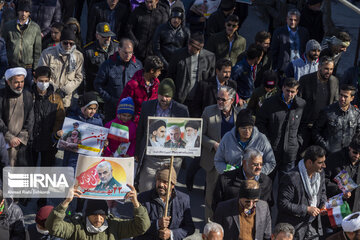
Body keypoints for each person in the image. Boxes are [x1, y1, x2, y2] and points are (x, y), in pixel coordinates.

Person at [136, 78, 189, 192]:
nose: (164, 99)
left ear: (172, 96)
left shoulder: (182, 110)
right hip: (151, 157)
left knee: (166, 190)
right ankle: (145, 210)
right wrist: (137, 153)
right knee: (145, 188)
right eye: (161, 95)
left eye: (167, 96)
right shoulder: (147, 106)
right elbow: (140, 129)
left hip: (171, 158)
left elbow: (185, 135)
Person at [44, 185, 151, 239]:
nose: (99, 218)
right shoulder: (76, 228)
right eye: (94, 215)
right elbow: (53, 227)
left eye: (102, 215)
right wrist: (66, 202)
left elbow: (142, 227)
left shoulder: (115, 226)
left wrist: (136, 204)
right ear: (87, 215)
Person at [199, 86, 240, 220]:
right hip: (214, 161)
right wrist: (214, 145)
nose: (220, 102)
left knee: (229, 196)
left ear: (232, 100)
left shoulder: (239, 115)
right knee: (210, 196)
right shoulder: (208, 112)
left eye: (223, 99)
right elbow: (200, 135)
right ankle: (209, 224)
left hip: (232, 162)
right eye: (218, 98)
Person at [256, 78, 306, 179]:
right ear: (283, 88)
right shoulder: (270, 103)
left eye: (292, 92)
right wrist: (267, 142)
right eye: (287, 90)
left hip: (290, 153)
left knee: (286, 184)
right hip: (271, 151)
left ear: (297, 91)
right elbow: (260, 123)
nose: (289, 94)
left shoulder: (301, 105)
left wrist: (298, 142)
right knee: (267, 181)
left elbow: (303, 126)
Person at [277, 145, 327, 240]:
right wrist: (306, 209)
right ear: (309, 163)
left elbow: (322, 192)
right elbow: (283, 204)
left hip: (312, 227)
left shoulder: (321, 173)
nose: (324, 165)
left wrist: (323, 204)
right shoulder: (291, 178)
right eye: (320, 163)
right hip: (294, 230)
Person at [134, 165, 195, 240]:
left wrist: (171, 234)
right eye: (159, 180)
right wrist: (157, 224)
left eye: (165, 182)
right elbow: (136, 226)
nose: (160, 185)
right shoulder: (143, 198)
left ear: (172, 185)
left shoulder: (183, 199)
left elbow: (190, 228)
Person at [214, 108, 276, 175]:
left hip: (254, 181)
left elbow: (271, 162)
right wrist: (228, 171)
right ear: (238, 128)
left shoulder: (261, 139)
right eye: (244, 128)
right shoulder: (227, 138)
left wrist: (256, 173)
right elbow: (218, 161)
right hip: (231, 180)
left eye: (250, 128)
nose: (247, 131)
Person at [94, 38, 143, 122]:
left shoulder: (137, 65)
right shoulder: (108, 65)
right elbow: (98, 85)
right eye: (125, 52)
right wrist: (109, 99)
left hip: (131, 109)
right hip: (112, 108)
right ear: (119, 50)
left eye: (131, 53)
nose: (128, 55)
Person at [168, 32, 215, 117]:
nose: (190, 48)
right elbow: (170, 76)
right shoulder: (178, 54)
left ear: (200, 48)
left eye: (193, 47)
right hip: (181, 99)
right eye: (189, 44)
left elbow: (211, 80)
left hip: (199, 101)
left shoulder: (209, 57)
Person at [213, 148, 273, 212]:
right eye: (255, 164)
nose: (259, 167)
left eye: (261, 164)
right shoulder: (226, 180)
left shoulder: (266, 182)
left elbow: (268, 207)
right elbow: (216, 205)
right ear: (244, 163)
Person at [298, 56, 339, 149]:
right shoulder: (305, 80)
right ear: (319, 67)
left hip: (322, 129)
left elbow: (335, 102)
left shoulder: (334, 81)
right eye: (326, 69)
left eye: (331, 69)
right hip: (306, 126)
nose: (329, 72)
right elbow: (298, 102)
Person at [56, 92, 103, 171]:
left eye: (95, 109)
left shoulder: (97, 121)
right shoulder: (72, 120)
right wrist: (58, 135)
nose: (93, 111)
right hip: (72, 158)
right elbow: (58, 138)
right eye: (90, 109)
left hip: (88, 159)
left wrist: (104, 142)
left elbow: (100, 140)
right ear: (83, 107)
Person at [38, 27, 84, 108]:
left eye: (71, 43)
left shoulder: (78, 56)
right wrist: (54, 88)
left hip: (66, 99)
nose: (68, 46)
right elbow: (42, 73)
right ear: (60, 41)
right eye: (65, 43)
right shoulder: (48, 53)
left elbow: (79, 77)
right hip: (48, 94)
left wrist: (65, 90)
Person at [2, 0, 42, 88]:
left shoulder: (35, 28)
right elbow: (3, 45)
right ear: (18, 11)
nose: (23, 14)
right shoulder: (8, 26)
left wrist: (35, 68)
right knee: (10, 89)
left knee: (27, 91)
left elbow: (37, 50)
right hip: (12, 65)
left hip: (28, 67)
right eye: (22, 11)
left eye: (27, 11)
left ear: (30, 13)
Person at [31, 66, 65, 168]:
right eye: (40, 81)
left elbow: (60, 119)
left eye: (46, 81)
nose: (43, 83)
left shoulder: (56, 98)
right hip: (32, 140)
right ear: (35, 80)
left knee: (47, 168)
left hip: (49, 140)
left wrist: (54, 135)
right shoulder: (29, 96)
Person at [0, 67, 34, 166]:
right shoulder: (1, 96)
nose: (20, 85)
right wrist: (9, 137)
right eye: (16, 82)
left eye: (22, 82)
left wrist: (21, 137)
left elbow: (30, 119)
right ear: (8, 82)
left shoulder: (27, 96)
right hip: (4, 141)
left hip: (21, 142)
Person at [313, 84, 360, 154]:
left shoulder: (356, 113)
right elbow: (315, 131)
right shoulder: (327, 111)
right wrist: (326, 146)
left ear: (352, 98)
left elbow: (358, 133)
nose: (342, 98)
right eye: (341, 95)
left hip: (347, 155)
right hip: (330, 155)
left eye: (345, 96)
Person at [119, 55, 163, 125]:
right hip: (134, 124)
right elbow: (122, 105)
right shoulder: (133, 85)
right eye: (158, 71)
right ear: (152, 71)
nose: (160, 73)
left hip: (150, 122)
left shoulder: (157, 83)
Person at [325, 134, 360, 212]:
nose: (357, 156)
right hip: (336, 207)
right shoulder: (334, 159)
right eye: (355, 152)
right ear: (349, 147)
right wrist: (340, 190)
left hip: (356, 209)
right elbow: (323, 180)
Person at [83, 22, 120, 92]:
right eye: (104, 36)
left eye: (109, 36)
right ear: (97, 36)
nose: (107, 39)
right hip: (95, 89)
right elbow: (84, 73)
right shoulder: (88, 50)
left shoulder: (117, 48)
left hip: (113, 88)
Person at [271, 9, 309, 74]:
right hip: (284, 68)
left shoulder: (304, 32)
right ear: (286, 19)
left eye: (295, 20)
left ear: (299, 21)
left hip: (301, 68)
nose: (293, 22)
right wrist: (275, 68)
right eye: (291, 19)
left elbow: (306, 50)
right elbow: (274, 51)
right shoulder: (279, 32)